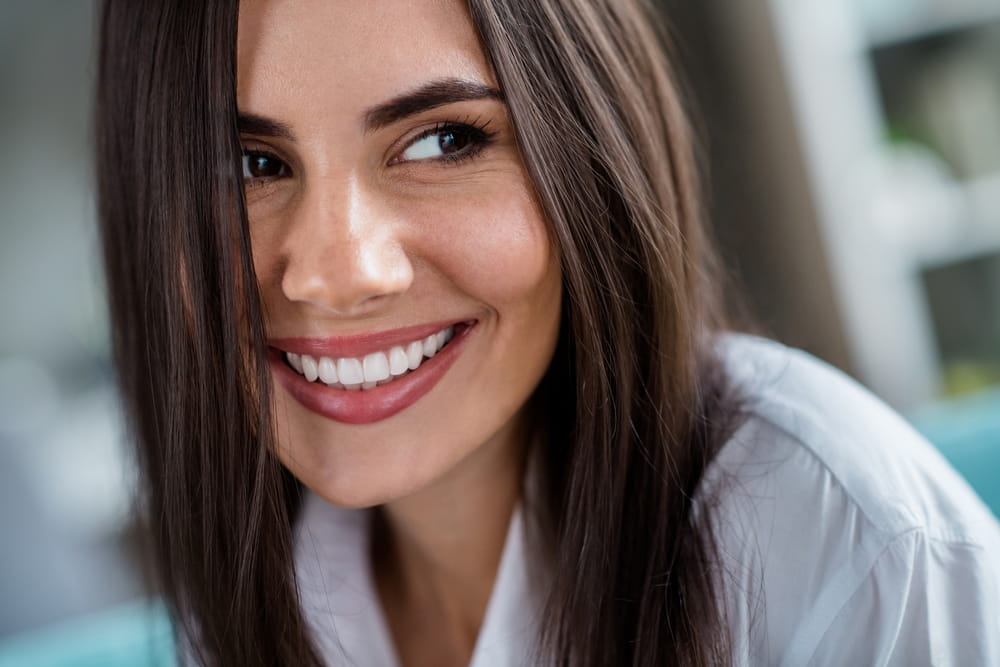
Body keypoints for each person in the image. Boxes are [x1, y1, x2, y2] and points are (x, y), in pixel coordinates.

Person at [95, 0, 1000, 665]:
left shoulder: (853, 548)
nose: (337, 273)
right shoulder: (250, 608)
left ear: (591, 152)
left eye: (443, 141)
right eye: (248, 164)